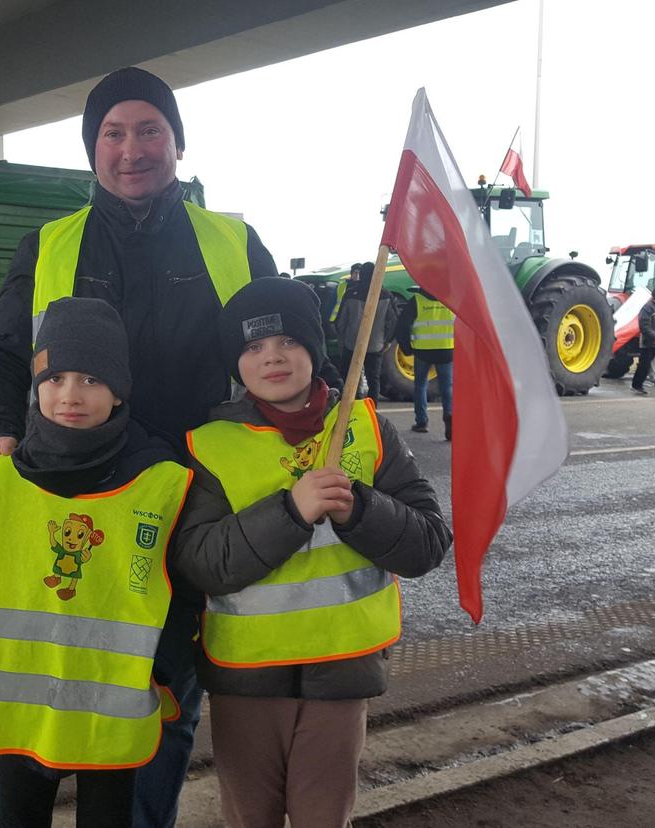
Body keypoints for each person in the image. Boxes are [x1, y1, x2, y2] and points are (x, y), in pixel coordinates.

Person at [0, 66, 280, 827]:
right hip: (60, 506)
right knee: (24, 726)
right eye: (113, 133)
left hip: (181, 513)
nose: (131, 149)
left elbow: (286, 347)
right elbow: (0, 355)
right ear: (91, 149)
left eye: (149, 131)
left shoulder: (232, 241)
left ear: (176, 143)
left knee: (152, 713)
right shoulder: (51, 244)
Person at [170, 277, 451, 828]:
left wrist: (360, 509)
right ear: (236, 362)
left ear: (314, 350)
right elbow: (201, 561)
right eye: (252, 347)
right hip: (246, 680)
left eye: (288, 342)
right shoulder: (208, 445)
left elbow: (427, 545)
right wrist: (290, 512)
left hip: (340, 678)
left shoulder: (369, 430)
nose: (272, 357)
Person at [0, 297, 193, 828]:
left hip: (114, 710)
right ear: (35, 388)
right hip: (20, 709)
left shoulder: (159, 480)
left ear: (119, 390)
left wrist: (162, 669)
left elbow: (185, 588)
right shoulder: (2, 480)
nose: (70, 395)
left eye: (90, 380)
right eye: (54, 379)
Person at [333, 261, 396, 404]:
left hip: (351, 343)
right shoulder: (385, 294)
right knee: (373, 379)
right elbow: (392, 321)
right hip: (375, 344)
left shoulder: (351, 293)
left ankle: (350, 407)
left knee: (348, 377)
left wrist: (343, 338)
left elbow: (341, 321)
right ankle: (372, 410)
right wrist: (386, 341)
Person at [396, 287, 454, 438]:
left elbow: (402, 325)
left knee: (420, 386)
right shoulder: (451, 299)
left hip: (423, 351)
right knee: (447, 387)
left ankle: (421, 422)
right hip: (446, 349)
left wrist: (407, 348)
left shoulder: (417, 300)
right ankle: (449, 415)